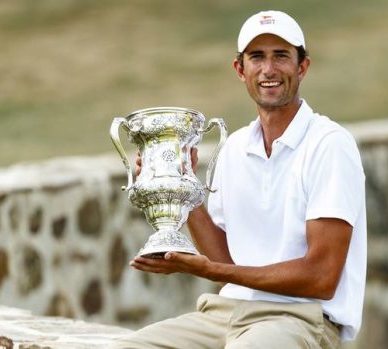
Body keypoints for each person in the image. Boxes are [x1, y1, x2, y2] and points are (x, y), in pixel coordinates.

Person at [110, 10, 366, 349]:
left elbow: (321, 277)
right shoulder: (233, 148)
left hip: (301, 320)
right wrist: (185, 188)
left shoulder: (330, 144)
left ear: (302, 67)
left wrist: (209, 272)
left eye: (281, 56)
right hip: (225, 315)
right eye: (257, 57)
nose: (269, 69)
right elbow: (225, 258)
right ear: (240, 69)